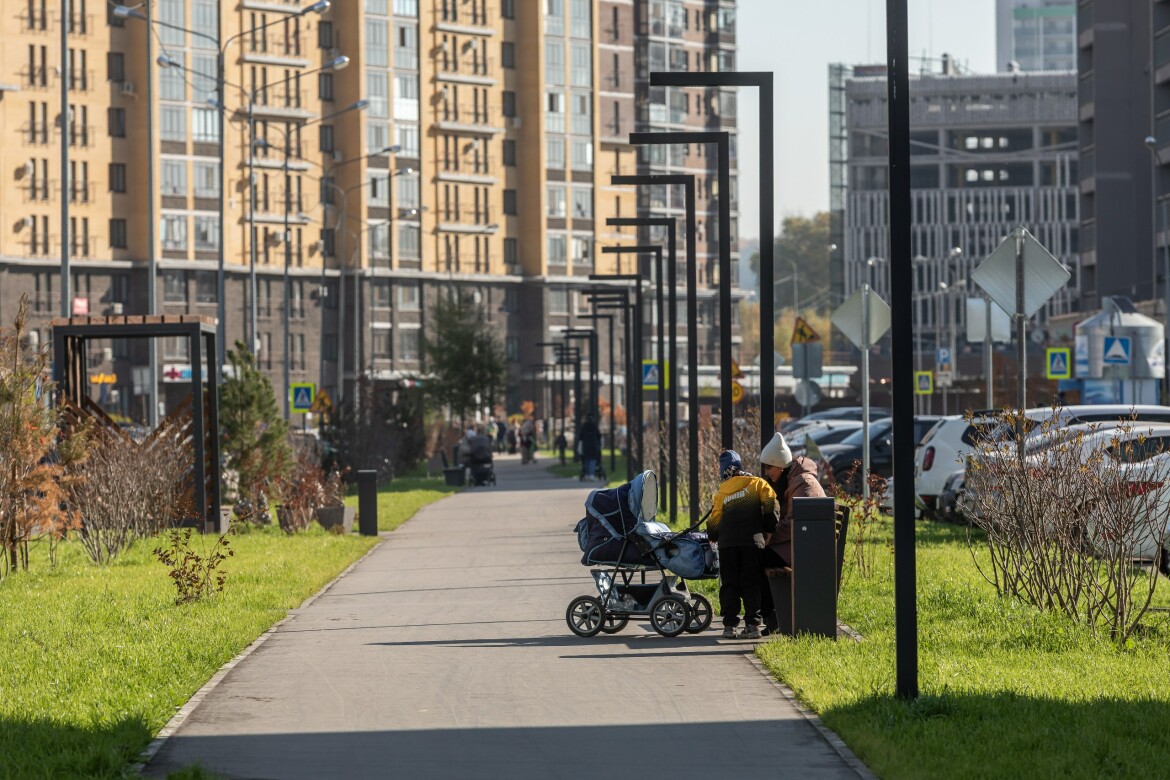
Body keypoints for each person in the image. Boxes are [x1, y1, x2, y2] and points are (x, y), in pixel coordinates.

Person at [758, 431, 827, 636]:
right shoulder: (793, 480)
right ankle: (771, 614)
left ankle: (772, 614)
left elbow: (795, 522)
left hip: (808, 548)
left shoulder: (804, 483)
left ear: (780, 466)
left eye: (769, 467)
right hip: (799, 543)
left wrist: (769, 536)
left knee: (757, 556)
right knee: (756, 554)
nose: (767, 473)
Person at [707, 449, 779, 640]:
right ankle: (753, 625)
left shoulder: (722, 492)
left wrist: (713, 535)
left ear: (723, 472)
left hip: (727, 545)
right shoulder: (757, 483)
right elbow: (771, 505)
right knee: (752, 582)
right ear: (740, 467)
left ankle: (729, 626)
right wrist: (768, 528)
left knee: (729, 583)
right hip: (752, 543)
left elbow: (714, 522)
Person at [577, 413, 602, 480]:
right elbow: (599, 436)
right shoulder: (594, 426)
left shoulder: (584, 426)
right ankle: (591, 474)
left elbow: (580, 437)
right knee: (592, 460)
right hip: (593, 446)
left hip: (586, 446)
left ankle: (587, 474)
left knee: (586, 460)